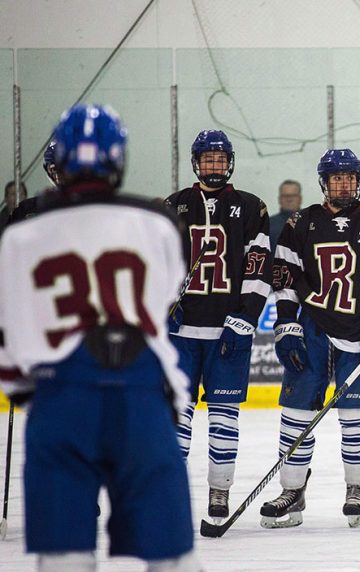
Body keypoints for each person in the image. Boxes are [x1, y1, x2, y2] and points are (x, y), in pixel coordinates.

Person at [0, 104, 200, 570]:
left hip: (60, 399)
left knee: (64, 557)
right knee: (172, 556)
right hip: (141, 398)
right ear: (118, 158)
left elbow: (11, 339)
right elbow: (161, 303)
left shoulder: (20, 234)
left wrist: (38, 394)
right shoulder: (157, 223)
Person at [260, 148, 360, 529]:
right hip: (313, 328)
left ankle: (356, 488)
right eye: (336, 178)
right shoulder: (300, 223)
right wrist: (286, 325)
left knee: (355, 416)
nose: (344, 184)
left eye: (349, 178)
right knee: (296, 412)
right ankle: (292, 490)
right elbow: (284, 275)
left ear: (358, 181)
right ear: (324, 183)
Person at [164, 129, 272, 524]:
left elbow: (259, 266)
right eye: (208, 158)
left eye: (220, 158)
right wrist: (162, 305)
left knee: (224, 415)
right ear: (196, 163)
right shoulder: (173, 205)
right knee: (176, 414)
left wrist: (246, 317)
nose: (214, 164)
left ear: (230, 162)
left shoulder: (251, 206)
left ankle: (219, 491)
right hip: (181, 334)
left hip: (228, 331)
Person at [268, 179, 302, 247]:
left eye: (293, 195)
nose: (289, 199)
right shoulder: (268, 225)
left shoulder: (310, 223)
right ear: (279, 199)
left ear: (300, 199)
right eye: (285, 196)